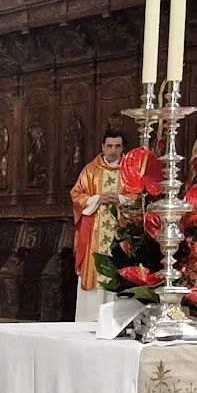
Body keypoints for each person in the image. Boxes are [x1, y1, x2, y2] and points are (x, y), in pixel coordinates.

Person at [71, 130, 130, 322]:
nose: (113, 151)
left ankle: (116, 321)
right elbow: (76, 196)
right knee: (94, 273)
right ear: (103, 147)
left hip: (120, 234)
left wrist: (120, 198)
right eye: (109, 146)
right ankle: (89, 319)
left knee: (118, 271)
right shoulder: (91, 170)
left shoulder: (129, 171)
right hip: (94, 234)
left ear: (123, 148)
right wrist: (97, 198)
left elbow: (140, 196)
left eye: (117, 146)